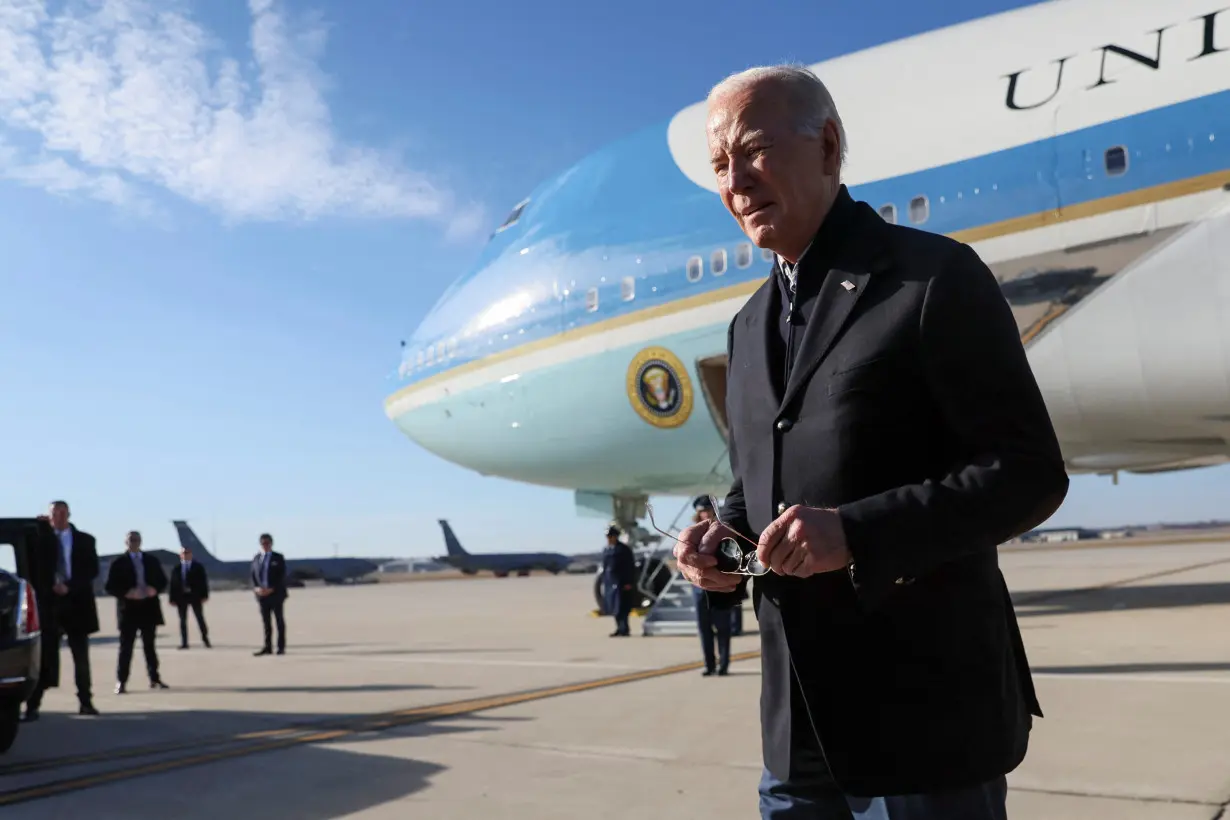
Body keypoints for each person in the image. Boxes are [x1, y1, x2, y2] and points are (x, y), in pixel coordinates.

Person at [674, 64, 1070, 819]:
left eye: (752, 150)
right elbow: (759, 488)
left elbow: (1026, 474)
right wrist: (717, 544)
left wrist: (855, 533)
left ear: (827, 145)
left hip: (923, 725)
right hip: (798, 731)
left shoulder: (930, 278)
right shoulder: (749, 324)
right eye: (719, 165)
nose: (735, 181)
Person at [24, 501, 100, 720]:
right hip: (50, 606)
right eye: (54, 513)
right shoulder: (41, 539)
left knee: (81, 658)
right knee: (44, 657)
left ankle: (85, 702)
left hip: (77, 604)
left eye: (62, 513)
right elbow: (31, 563)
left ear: (69, 514)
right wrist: (38, 528)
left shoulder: (85, 540)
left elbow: (91, 570)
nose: (58, 517)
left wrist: (70, 586)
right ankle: (33, 705)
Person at [105, 531, 170, 693]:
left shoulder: (151, 561)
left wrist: (154, 589)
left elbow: (163, 581)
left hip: (149, 608)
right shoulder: (118, 563)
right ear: (125, 542)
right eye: (130, 540)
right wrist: (126, 593)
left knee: (150, 647)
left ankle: (154, 678)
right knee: (126, 647)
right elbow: (110, 587)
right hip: (128, 610)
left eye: (136, 540)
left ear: (141, 541)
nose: (133, 542)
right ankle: (121, 681)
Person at [691, 497, 732, 676]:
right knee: (704, 630)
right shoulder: (693, 534)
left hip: (719, 589)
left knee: (723, 629)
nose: (705, 514)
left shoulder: (723, 531)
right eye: (702, 511)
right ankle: (709, 665)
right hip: (700, 591)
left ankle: (723, 664)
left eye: (708, 510)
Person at [168, 544, 211, 649]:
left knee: (199, 618)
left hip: (195, 596)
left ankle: (205, 639)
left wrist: (204, 595)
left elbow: (203, 582)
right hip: (181, 597)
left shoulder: (198, 567)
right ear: (180, 555)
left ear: (191, 554)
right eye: (183, 553)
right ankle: (184, 642)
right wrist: (172, 598)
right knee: (182, 620)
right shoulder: (177, 568)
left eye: (187, 553)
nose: (185, 555)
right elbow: (172, 584)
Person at [251, 533, 288, 656]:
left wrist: (271, 588)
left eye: (267, 543)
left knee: (279, 621)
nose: (265, 545)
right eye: (263, 543)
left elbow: (281, 576)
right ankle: (267, 647)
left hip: (276, 594)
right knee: (266, 623)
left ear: (271, 544)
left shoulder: (278, 557)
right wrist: (256, 589)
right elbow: (253, 576)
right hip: (262, 595)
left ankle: (281, 647)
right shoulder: (256, 558)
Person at [599, 524, 637, 637]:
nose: (609, 539)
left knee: (622, 607)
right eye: (608, 537)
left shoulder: (623, 550)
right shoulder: (606, 550)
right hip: (610, 583)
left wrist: (629, 582)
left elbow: (630, 567)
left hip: (621, 583)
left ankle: (624, 628)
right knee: (613, 607)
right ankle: (618, 628)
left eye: (611, 536)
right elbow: (605, 567)